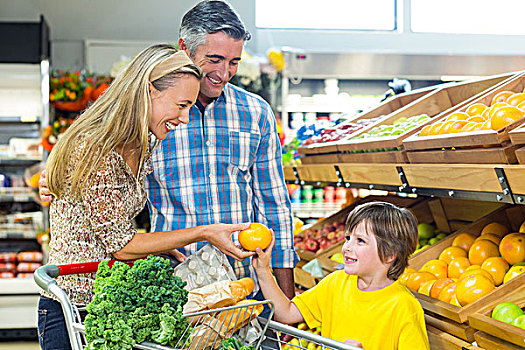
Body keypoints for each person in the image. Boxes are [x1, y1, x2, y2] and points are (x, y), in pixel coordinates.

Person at [38, 44, 253, 350]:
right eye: (181, 105)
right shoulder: (96, 149)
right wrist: (204, 232)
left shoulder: (142, 144)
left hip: (109, 302)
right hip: (73, 310)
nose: (185, 118)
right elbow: (121, 246)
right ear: (149, 91)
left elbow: (111, 229)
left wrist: (156, 251)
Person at [145, 0, 298, 300]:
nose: (224, 73)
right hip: (174, 285)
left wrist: (286, 299)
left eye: (234, 62)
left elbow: (274, 206)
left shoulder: (256, 112)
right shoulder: (151, 113)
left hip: (245, 285)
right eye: (214, 59)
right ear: (184, 49)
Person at [253, 202, 430, 350]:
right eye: (347, 238)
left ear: (390, 254)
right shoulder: (336, 283)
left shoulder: (404, 307)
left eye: (360, 240)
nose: (346, 248)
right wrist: (263, 271)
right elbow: (287, 313)